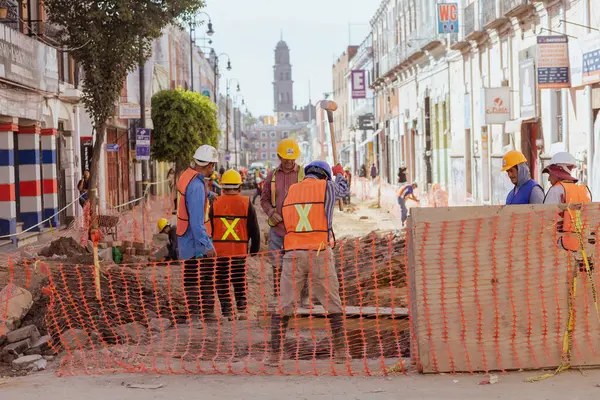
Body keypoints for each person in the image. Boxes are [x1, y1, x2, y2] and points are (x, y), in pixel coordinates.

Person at [269, 161, 351, 366]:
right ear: (324, 176)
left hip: (293, 253)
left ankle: (273, 356)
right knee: (332, 302)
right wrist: (340, 174)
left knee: (284, 303)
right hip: (319, 252)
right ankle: (341, 353)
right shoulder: (326, 187)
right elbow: (344, 191)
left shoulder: (291, 191)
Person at [207, 169, 260, 320]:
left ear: (222, 187)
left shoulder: (215, 203)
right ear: (240, 187)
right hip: (239, 250)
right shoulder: (246, 203)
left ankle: (227, 312)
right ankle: (242, 310)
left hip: (220, 251)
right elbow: (254, 229)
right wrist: (254, 249)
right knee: (239, 279)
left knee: (222, 280)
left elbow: (210, 226)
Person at [176, 144, 219, 323]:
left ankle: (198, 314)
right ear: (209, 165)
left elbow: (190, 198)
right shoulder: (196, 186)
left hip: (185, 238)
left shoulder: (188, 176)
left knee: (192, 276)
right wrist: (207, 246)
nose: (213, 169)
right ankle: (202, 315)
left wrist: (208, 195)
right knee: (203, 277)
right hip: (195, 240)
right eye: (213, 165)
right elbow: (196, 222)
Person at [260, 138, 304, 294]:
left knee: (299, 266)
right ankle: (278, 297)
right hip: (278, 230)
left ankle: (298, 298)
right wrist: (271, 213)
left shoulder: (303, 175)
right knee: (277, 266)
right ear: (280, 157)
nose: (290, 161)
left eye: (292, 158)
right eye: (286, 158)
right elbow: (264, 200)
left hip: (298, 230)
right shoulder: (272, 176)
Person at [542, 152, 593, 261]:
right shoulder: (583, 191)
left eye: (550, 174)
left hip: (560, 247)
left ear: (558, 171)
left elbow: (545, 220)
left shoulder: (556, 190)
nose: (549, 179)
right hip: (581, 246)